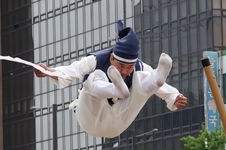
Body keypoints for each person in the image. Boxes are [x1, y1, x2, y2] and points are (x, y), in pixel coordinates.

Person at [34, 21, 187, 139]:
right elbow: (72, 71)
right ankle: (115, 89)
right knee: (95, 78)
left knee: (144, 79)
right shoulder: (95, 61)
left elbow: (162, 88)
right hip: (90, 118)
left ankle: (141, 83)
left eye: (129, 67)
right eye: (121, 66)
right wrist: (48, 72)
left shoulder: (138, 67)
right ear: (112, 58)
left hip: (116, 122)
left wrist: (173, 97)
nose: (125, 72)